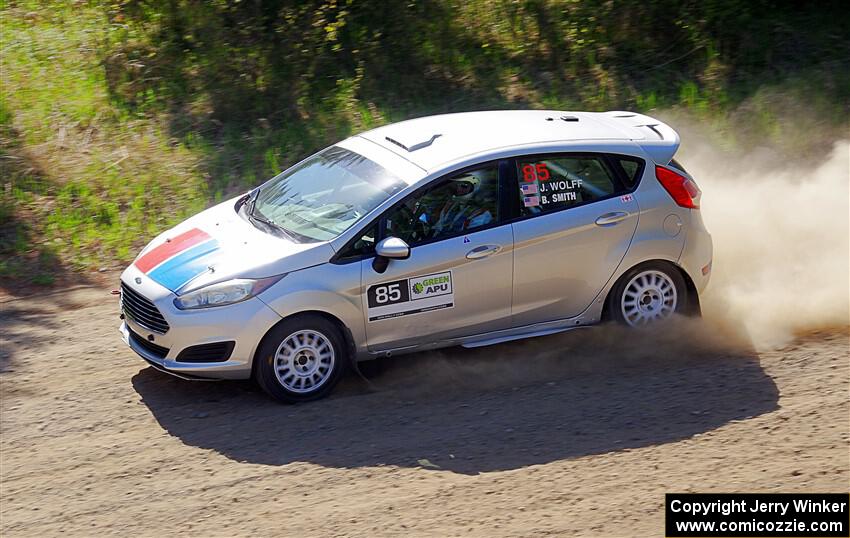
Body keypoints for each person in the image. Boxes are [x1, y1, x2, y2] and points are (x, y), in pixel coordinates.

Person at [432, 171, 495, 236]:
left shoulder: (481, 214)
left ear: (473, 188)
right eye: (458, 185)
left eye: (464, 185)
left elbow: (472, 238)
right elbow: (439, 227)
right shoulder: (450, 205)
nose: (459, 189)